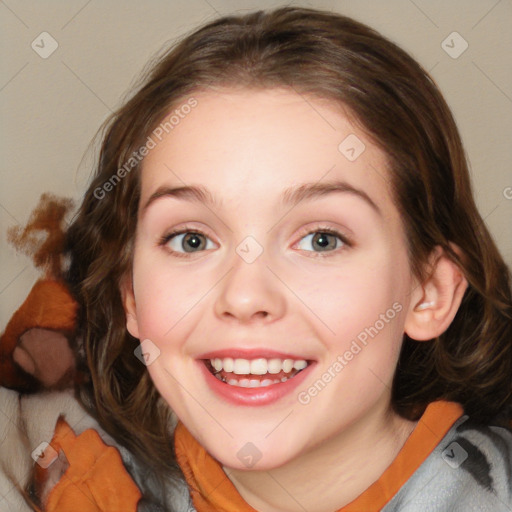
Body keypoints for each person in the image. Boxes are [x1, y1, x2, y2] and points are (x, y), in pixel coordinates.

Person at [63, 6, 512, 511]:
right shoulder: (69, 478)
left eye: (322, 239)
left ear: (429, 291)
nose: (245, 296)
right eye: (191, 239)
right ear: (131, 295)